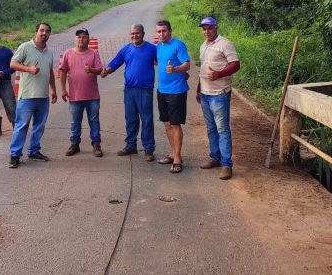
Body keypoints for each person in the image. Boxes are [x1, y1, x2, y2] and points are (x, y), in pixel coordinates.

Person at [101, 24, 157, 161]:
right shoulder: (126, 49)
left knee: (147, 119)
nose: (135, 36)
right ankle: (131, 145)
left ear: (143, 33)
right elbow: (115, 62)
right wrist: (106, 71)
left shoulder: (152, 49)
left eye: (137, 33)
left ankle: (149, 148)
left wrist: (180, 73)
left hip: (145, 90)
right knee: (130, 118)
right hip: (129, 90)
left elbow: (164, 61)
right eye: (132, 33)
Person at [8, 23, 58, 168]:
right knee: (21, 126)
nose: (44, 33)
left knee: (39, 126)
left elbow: (51, 73)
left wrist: (53, 90)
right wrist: (28, 69)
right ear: (36, 32)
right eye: (42, 30)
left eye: (47, 31)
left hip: (43, 96)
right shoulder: (25, 47)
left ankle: (33, 151)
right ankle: (15, 155)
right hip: (27, 96)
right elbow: (13, 64)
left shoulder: (49, 52)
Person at [197, 17, 240, 180]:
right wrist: (198, 89)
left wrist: (219, 74)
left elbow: (236, 64)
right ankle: (214, 157)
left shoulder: (225, 43)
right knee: (210, 128)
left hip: (220, 93)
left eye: (209, 28)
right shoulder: (203, 46)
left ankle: (226, 164)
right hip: (205, 94)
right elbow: (203, 68)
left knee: (222, 129)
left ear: (216, 28)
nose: (206, 31)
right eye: (204, 29)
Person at [60, 28, 104, 157]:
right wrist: (63, 89)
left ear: (88, 39)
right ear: (75, 39)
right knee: (75, 122)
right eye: (79, 37)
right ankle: (75, 144)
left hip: (92, 96)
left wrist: (91, 70)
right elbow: (62, 72)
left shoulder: (94, 53)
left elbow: (100, 70)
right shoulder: (68, 53)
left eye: (84, 37)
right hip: (75, 96)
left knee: (94, 121)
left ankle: (96, 144)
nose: (81, 39)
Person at [155, 20, 190, 174]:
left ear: (170, 31)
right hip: (162, 90)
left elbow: (187, 64)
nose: (161, 34)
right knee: (167, 124)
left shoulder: (178, 45)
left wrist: (176, 69)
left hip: (176, 91)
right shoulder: (159, 46)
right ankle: (173, 153)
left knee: (175, 125)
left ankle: (177, 158)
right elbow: (160, 62)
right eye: (159, 31)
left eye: (164, 31)